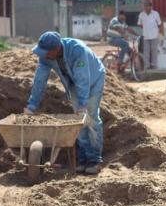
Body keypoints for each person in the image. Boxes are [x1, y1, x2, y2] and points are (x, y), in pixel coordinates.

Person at [25, 32, 106, 175]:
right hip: (74, 83)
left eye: (45, 52)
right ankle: (83, 159)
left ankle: (94, 160)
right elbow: (40, 80)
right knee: (79, 121)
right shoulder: (46, 57)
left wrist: (82, 104)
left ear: (56, 49)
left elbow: (83, 79)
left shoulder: (78, 50)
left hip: (93, 79)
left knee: (91, 117)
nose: (42, 55)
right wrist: (32, 105)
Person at [137, 0, 163, 70]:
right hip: (146, 36)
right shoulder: (141, 14)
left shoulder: (155, 14)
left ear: (151, 6)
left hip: (154, 36)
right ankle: (147, 66)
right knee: (146, 52)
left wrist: (160, 33)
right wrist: (145, 28)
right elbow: (139, 24)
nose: (145, 7)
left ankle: (154, 66)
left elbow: (160, 24)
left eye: (147, 6)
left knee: (154, 51)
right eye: (144, 6)